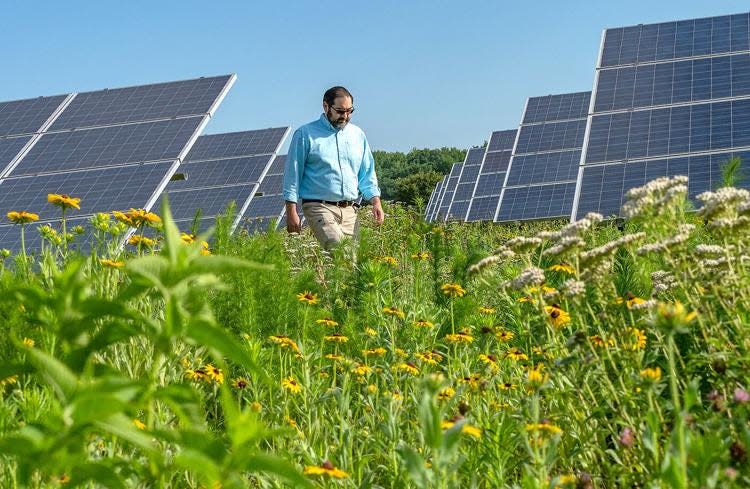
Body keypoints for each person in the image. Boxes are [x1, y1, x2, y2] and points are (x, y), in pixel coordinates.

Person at [283, 86, 384, 250]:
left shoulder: (357, 135)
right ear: (326, 106)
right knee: (340, 253)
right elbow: (292, 174)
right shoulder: (305, 134)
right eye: (340, 111)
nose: (345, 116)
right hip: (319, 207)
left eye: (349, 111)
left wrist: (375, 201)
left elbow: (367, 172)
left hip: (350, 210)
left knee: (351, 265)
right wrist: (291, 211)